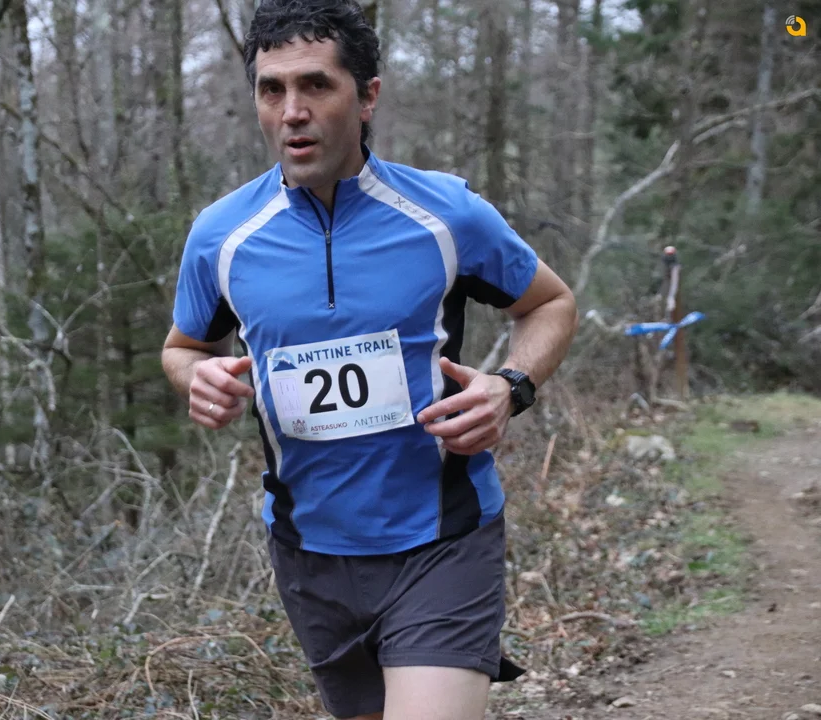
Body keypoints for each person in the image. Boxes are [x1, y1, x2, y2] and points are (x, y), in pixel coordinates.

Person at [160, 1, 578, 717]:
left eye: (316, 85)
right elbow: (183, 347)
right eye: (271, 89)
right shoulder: (222, 236)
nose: (292, 112)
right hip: (309, 550)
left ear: (368, 96)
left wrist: (511, 387)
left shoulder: (445, 215)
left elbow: (551, 303)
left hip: (442, 537)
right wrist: (196, 378)